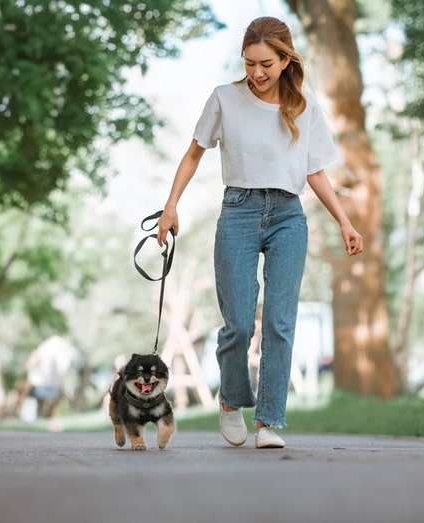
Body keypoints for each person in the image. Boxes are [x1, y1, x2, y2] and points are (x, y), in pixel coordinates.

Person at [156, 16, 363, 449]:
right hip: (238, 212)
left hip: (289, 216)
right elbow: (194, 154)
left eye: (266, 63)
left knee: (280, 323)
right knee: (237, 322)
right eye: (249, 63)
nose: (257, 73)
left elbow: (317, 173)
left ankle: (269, 420)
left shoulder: (305, 108)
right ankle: (231, 400)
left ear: (287, 60)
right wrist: (171, 206)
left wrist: (344, 221)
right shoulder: (224, 99)